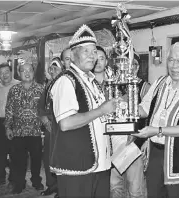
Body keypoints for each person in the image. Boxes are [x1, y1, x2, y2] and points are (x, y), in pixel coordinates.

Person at [48, 24, 119, 198]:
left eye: (94, 51)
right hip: (77, 167)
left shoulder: (92, 81)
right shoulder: (66, 81)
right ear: (72, 55)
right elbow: (65, 123)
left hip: (100, 164)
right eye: (85, 51)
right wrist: (102, 110)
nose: (91, 56)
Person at [134, 42, 179, 198]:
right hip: (155, 154)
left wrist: (156, 130)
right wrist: (126, 109)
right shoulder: (160, 83)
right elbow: (145, 108)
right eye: (171, 60)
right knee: (153, 194)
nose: (174, 66)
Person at [110, 53, 151, 198]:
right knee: (115, 189)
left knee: (135, 190)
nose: (131, 67)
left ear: (138, 67)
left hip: (135, 144)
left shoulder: (145, 87)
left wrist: (146, 140)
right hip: (115, 145)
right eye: (127, 64)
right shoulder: (114, 85)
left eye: (134, 64)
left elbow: (150, 115)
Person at [5, 63, 45, 194]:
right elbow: (9, 110)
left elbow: (45, 110)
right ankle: (19, 183)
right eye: (23, 71)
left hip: (35, 131)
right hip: (18, 131)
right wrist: (8, 127)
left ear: (33, 72)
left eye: (29, 70)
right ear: (19, 73)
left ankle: (36, 181)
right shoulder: (14, 90)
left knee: (36, 159)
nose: (27, 73)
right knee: (18, 160)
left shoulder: (41, 89)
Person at [0, 63, 19, 188]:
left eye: (6, 72)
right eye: (1, 73)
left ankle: (14, 178)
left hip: (14, 122)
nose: (4, 75)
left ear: (11, 72)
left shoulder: (18, 85)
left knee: (14, 152)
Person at [38, 57, 65, 198]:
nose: (52, 71)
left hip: (62, 128)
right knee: (48, 157)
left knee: (60, 158)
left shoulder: (66, 84)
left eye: (56, 68)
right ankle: (51, 185)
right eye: (51, 68)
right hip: (49, 129)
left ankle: (61, 188)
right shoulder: (47, 86)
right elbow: (41, 107)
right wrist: (44, 120)